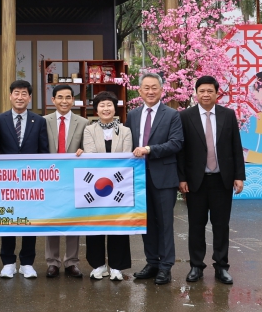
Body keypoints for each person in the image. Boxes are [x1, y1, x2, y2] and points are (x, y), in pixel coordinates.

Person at [178, 76, 246, 285]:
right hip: (195, 181)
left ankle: (221, 266)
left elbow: (236, 146)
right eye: (202, 91)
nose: (206, 94)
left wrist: (239, 176)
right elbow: (181, 150)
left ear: (217, 93)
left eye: (210, 91)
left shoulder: (228, 115)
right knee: (196, 225)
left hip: (222, 180)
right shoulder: (186, 116)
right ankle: (196, 266)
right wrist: (181, 179)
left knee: (221, 225)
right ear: (195, 93)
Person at [125, 73, 184, 285]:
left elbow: (177, 143)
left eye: (154, 88)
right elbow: (126, 143)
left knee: (165, 223)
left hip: (164, 177)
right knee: (145, 222)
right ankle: (152, 262)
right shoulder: (132, 115)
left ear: (162, 90)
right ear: (139, 91)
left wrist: (149, 149)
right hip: (139, 178)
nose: (150, 92)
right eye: (146, 88)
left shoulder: (172, 115)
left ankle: (166, 266)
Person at [0, 80, 49, 279]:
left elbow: (43, 151)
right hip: (6, 180)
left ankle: (27, 262)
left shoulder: (39, 120)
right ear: (10, 96)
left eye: (24, 93)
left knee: (29, 221)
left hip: (31, 181)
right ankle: (8, 262)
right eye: (16, 93)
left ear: (29, 97)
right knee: (8, 220)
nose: (20, 97)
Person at [82, 91, 133, 281]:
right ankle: (97, 265)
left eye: (109, 105)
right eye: (102, 105)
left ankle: (116, 266)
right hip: (95, 184)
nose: (106, 108)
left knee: (118, 223)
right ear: (96, 109)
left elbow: (126, 154)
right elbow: (91, 153)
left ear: (115, 108)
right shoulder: (89, 129)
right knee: (95, 223)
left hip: (119, 184)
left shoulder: (125, 130)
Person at [43, 84, 88, 279]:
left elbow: (88, 147)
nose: (64, 101)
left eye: (68, 97)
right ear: (53, 100)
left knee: (72, 220)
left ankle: (71, 262)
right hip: (50, 178)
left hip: (73, 179)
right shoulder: (43, 121)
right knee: (52, 220)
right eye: (60, 97)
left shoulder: (84, 122)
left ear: (73, 100)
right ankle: (52, 262)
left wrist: (84, 152)